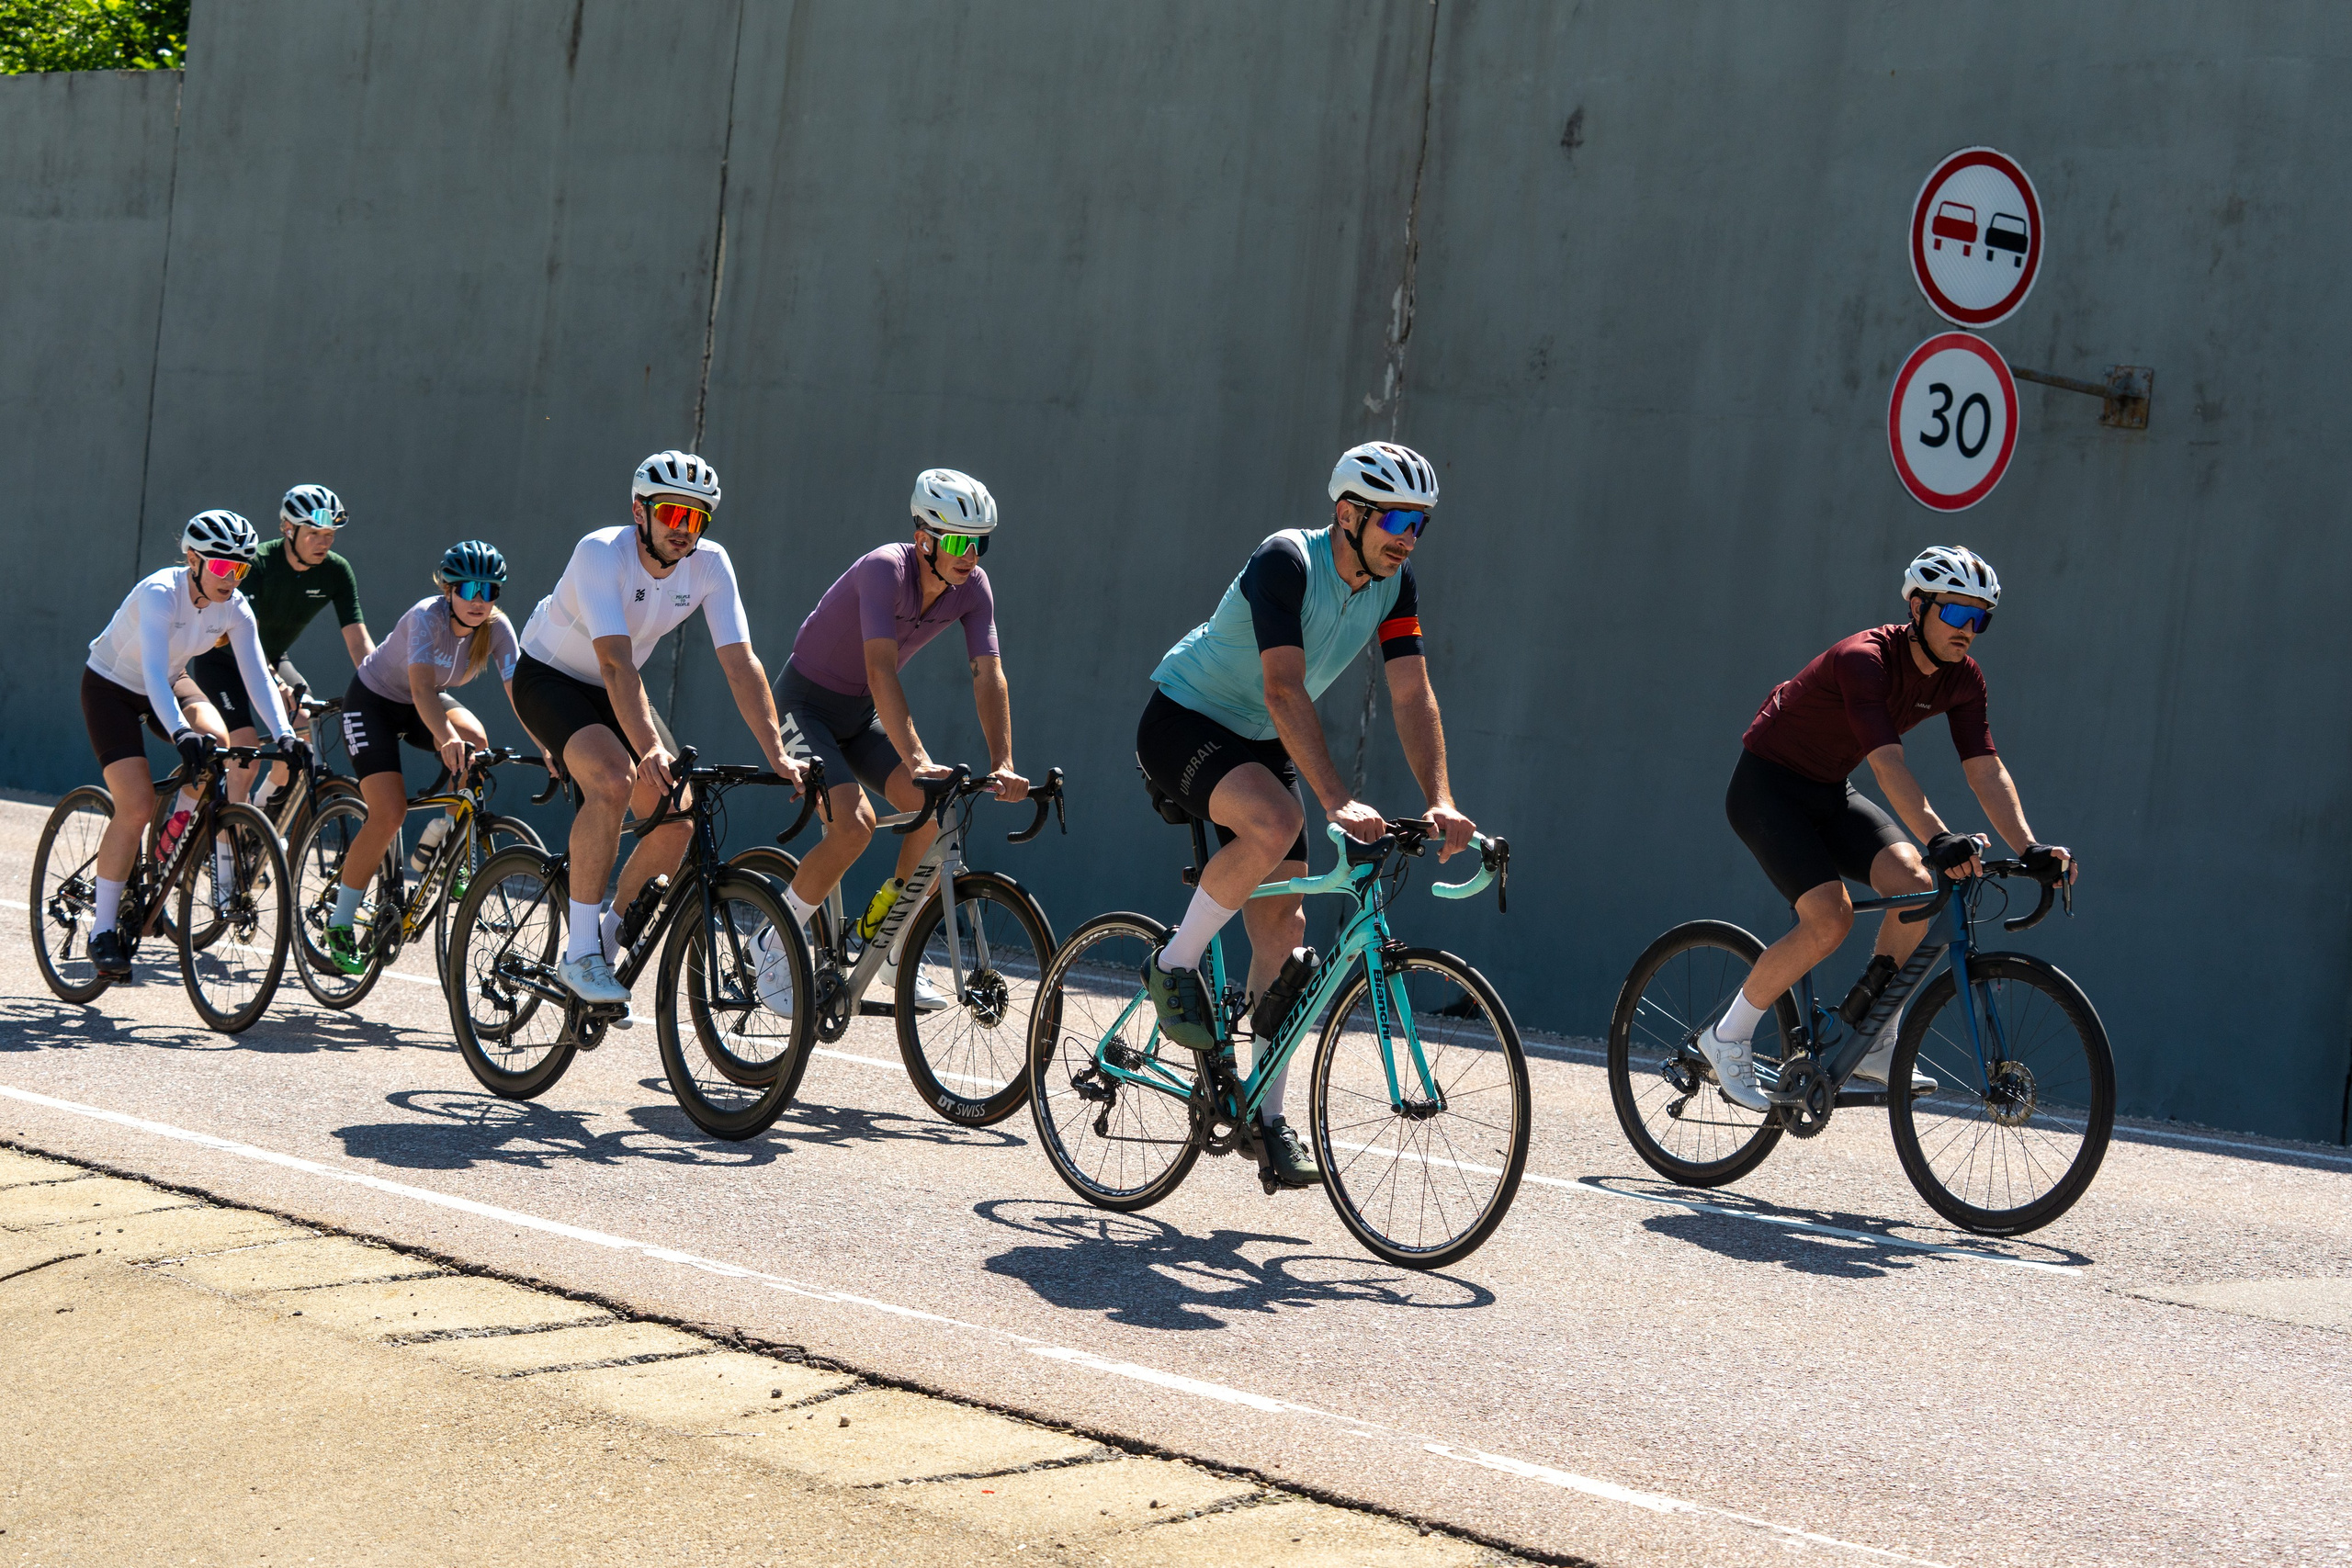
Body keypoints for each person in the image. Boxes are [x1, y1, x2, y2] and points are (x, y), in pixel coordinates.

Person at [1134, 441, 1476, 1187]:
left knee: (1283, 937)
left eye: (1419, 522)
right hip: (1185, 720)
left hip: (1260, 741)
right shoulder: (1285, 561)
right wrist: (1335, 799)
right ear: (1347, 514)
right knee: (1277, 821)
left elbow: (1413, 694)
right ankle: (1173, 962)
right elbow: (1285, 688)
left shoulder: (1394, 585)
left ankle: (1267, 1117)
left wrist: (1440, 799)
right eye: (1394, 517)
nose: (1407, 535)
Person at [1698, 546, 2078, 1111]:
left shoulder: (1963, 679)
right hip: (1768, 789)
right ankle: (1725, 1037)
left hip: (1829, 791)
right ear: (1918, 607)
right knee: (1831, 919)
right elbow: (1886, 763)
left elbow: (1984, 767)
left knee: (1915, 884)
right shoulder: (1865, 659)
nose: (1968, 630)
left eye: (1980, 619)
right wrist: (1937, 835)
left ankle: (1875, 1032)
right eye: (1955, 613)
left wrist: (2029, 846)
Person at [510, 450, 802, 1016]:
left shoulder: (711, 566)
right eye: (672, 514)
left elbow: (742, 665)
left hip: (615, 690)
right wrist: (647, 750)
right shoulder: (601, 553)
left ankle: (606, 941)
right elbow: (617, 665)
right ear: (639, 511)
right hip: (551, 675)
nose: (682, 530)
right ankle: (577, 951)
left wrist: (782, 753)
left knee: (680, 817)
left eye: (695, 519)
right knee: (615, 782)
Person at [765, 468, 1027, 1010]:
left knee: (933, 815)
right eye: (958, 541)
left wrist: (1003, 761)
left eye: (980, 542)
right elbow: (881, 670)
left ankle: (891, 943)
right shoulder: (885, 570)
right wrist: (918, 759)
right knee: (854, 827)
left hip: (858, 717)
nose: (970, 554)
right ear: (924, 539)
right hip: (803, 705)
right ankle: (771, 944)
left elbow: (989, 674)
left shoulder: (973, 589)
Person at [79, 511, 302, 978]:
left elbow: (258, 675)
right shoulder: (162, 592)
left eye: (240, 570)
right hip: (113, 688)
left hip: (168, 680)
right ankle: (102, 930)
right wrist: (180, 733)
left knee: (219, 745)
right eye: (222, 568)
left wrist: (283, 733)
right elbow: (152, 669)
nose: (231, 580)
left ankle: (162, 860)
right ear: (193, 559)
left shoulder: (235, 607)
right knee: (136, 804)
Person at [318, 541, 531, 974]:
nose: (479, 600)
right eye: (470, 588)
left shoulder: (497, 629)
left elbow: (521, 695)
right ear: (449, 588)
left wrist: (550, 746)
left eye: (490, 591)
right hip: (374, 703)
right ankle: (340, 923)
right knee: (389, 812)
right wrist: (445, 735)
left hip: (424, 701)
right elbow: (418, 689)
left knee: (476, 740)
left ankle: (444, 834)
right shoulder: (424, 618)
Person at [185, 484, 372, 807]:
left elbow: (358, 640)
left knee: (302, 737)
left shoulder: (337, 572)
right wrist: (279, 682)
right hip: (223, 660)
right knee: (246, 754)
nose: (324, 542)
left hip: (272, 659)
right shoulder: (258, 564)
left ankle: (256, 822)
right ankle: (227, 843)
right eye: (314, 533)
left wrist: (382, 683)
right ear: (288, 528)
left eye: (330, 534)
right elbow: (245, 640)